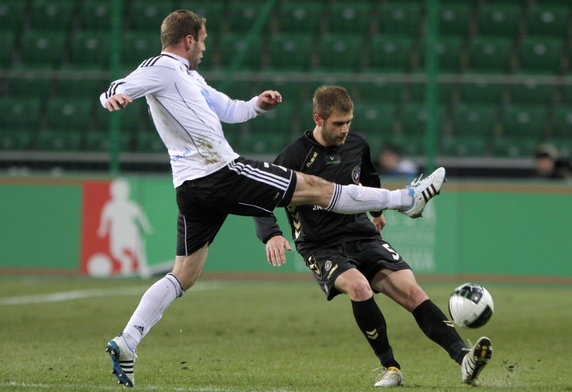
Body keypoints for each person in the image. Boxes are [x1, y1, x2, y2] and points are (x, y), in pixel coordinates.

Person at [98, 10, 446, 388]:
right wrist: (114, 97)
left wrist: (257, 104)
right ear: (188, 40)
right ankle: (406, 199)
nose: (205, 46)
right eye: (204, 39)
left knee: (185, 273)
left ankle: (128, 341)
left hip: (192, 188)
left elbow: (230, 110)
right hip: (219, 172)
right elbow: (118, 85)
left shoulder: (189, 77)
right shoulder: (162, 68)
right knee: (316, 187)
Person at [254, 86, 492, 387]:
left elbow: (368, 177)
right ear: (318, 118)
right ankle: (390, 367)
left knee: (413, 292)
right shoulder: (293, 156)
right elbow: (261, 199)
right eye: (338, 124)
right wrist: (271, 235)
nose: (345, 130)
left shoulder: (357, 143)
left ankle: (464, 358)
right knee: (359, 286)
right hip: (320, 245)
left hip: (361, 234)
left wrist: (378, 213)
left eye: (348, 122)